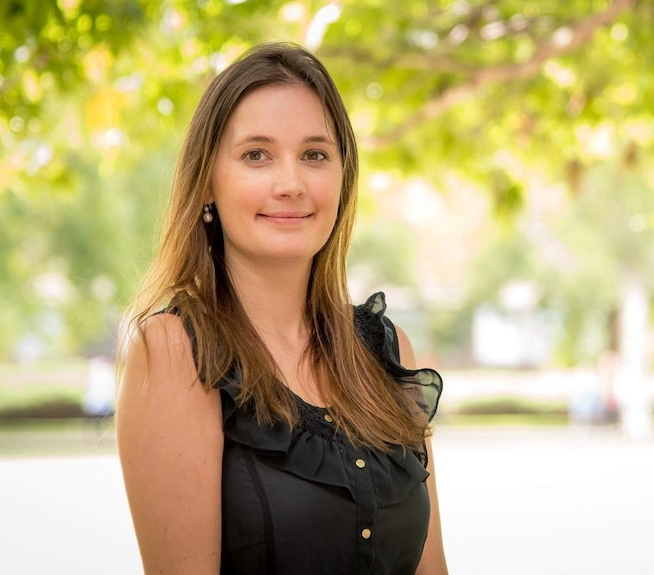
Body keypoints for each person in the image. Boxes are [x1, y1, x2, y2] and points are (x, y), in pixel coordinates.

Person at [116, 42, 447, 575]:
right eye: (256, 155)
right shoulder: (175, 352)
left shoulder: (388, 351)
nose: (291, 184)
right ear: (207, 183)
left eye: (314, 154)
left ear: (343, 176)